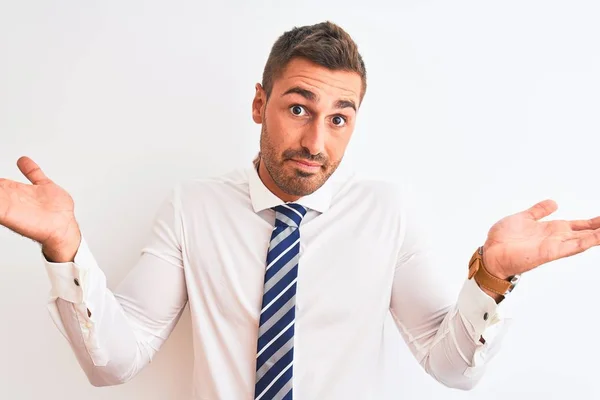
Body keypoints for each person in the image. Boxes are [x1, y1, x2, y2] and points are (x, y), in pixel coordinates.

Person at [1, 21, 600, 400]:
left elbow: (452, 370)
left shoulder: (388, 212)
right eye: (298, 107)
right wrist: (64, 246)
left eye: (339, 117)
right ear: (260, 103)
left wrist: (491, 277)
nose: (317, 139)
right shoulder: (193, 208)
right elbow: (115, 360)